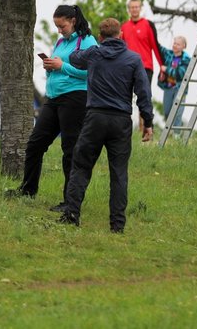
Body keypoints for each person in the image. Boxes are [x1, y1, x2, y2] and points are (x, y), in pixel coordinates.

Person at [59, 17, 153, 233]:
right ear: (120, 35)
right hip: (121, 120)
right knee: (119, 172)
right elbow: (143, 93)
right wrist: (147, 121)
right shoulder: (133, 59)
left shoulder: (94, 54)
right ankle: (117, 225)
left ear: (100, 37)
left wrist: (85, 41)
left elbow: (74, 58)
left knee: (81, 166)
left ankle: (72, 214)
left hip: (95, 118)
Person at [6, 5, 97, 212]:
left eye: (62, 25)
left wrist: (61, 66)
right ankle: (28, 190)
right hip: (54, 98)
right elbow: (59, 67)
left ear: (73, 21)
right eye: (56, 26)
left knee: (70, 150)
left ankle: (69, 201)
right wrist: (50, 67)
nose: (59, 30)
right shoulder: (60, 42)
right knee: (35, 144)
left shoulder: (87, 42)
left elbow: (93, 71)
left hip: (75, 98)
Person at [120, 0, 164, 85]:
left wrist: (161, 65)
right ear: (129, 9)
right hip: (128, 67)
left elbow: (155, 46)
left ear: (140, 8)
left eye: (136, 7)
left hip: (145, 67)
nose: (134, 9)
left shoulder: (148, 24)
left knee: (144, 97)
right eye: (132, 7)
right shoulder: (124, 27)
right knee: (127, 97)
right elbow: (120, 49)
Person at [158, 35, 191, 128]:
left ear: (184, 46)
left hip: (179, 88)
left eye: (178, 44)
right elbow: (158, 47)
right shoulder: (169, 54)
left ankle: (177, 134)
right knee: (167, 111)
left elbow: (180, 73)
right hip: (168, 87)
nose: (175, 46)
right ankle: (169, 132)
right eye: (174, 43)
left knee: (177, 111)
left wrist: (166, 69)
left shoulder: (186, 59)